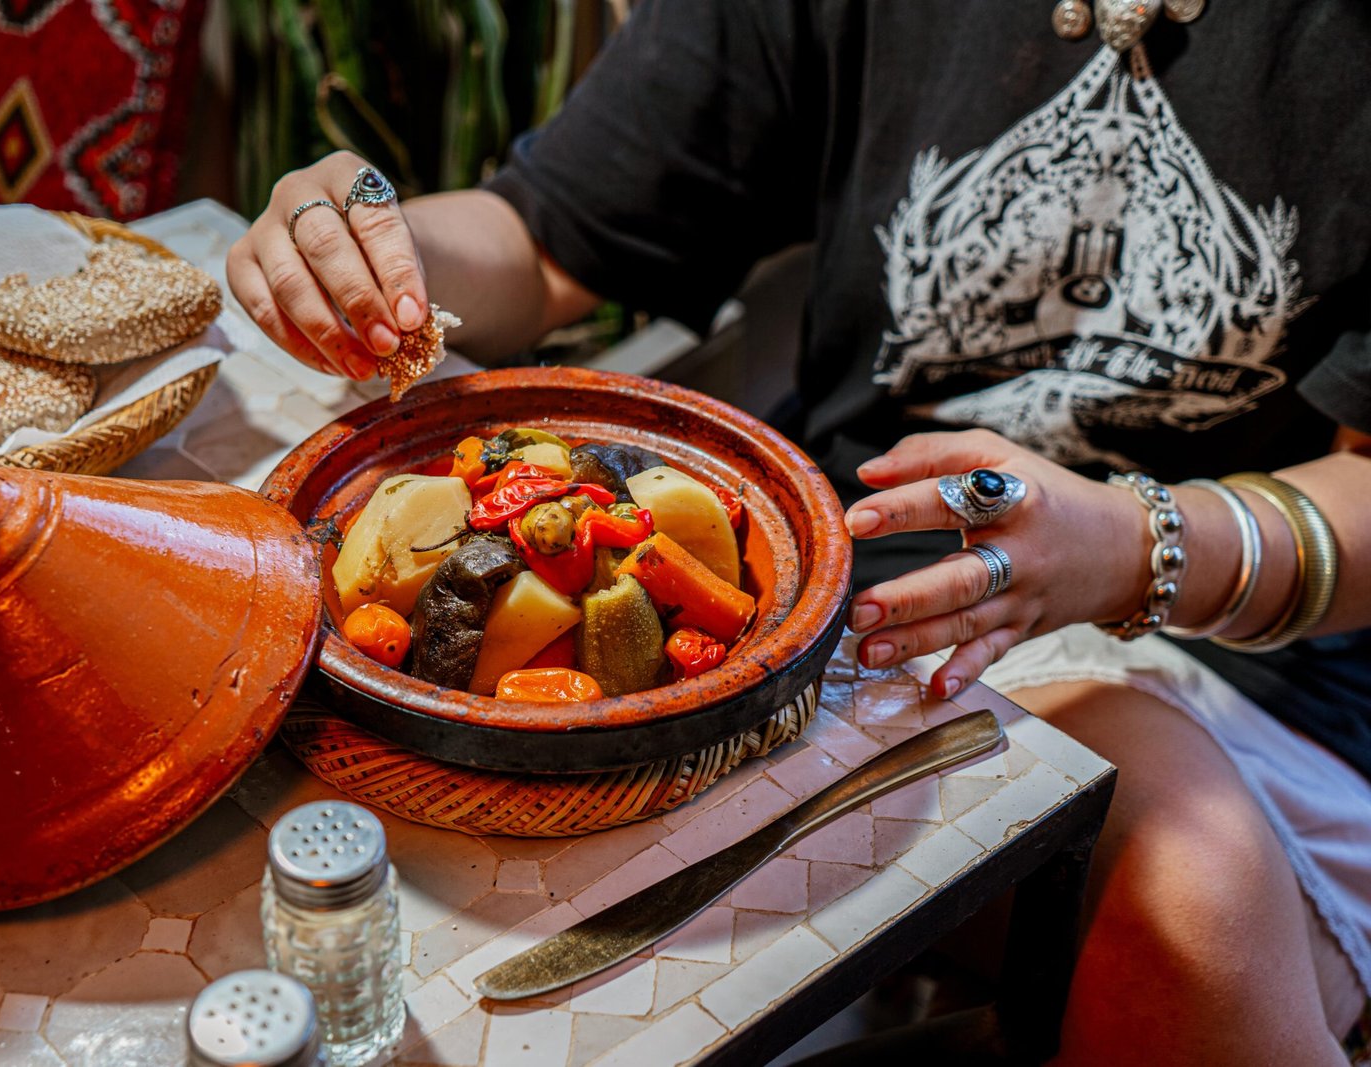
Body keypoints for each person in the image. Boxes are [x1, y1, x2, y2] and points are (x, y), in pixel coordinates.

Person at [228, 2, 1371, 1061]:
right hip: (848, 587)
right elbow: (542, 238)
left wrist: (1136, 540)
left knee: (1189, 896)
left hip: (1249, 639)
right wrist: (366, 253)